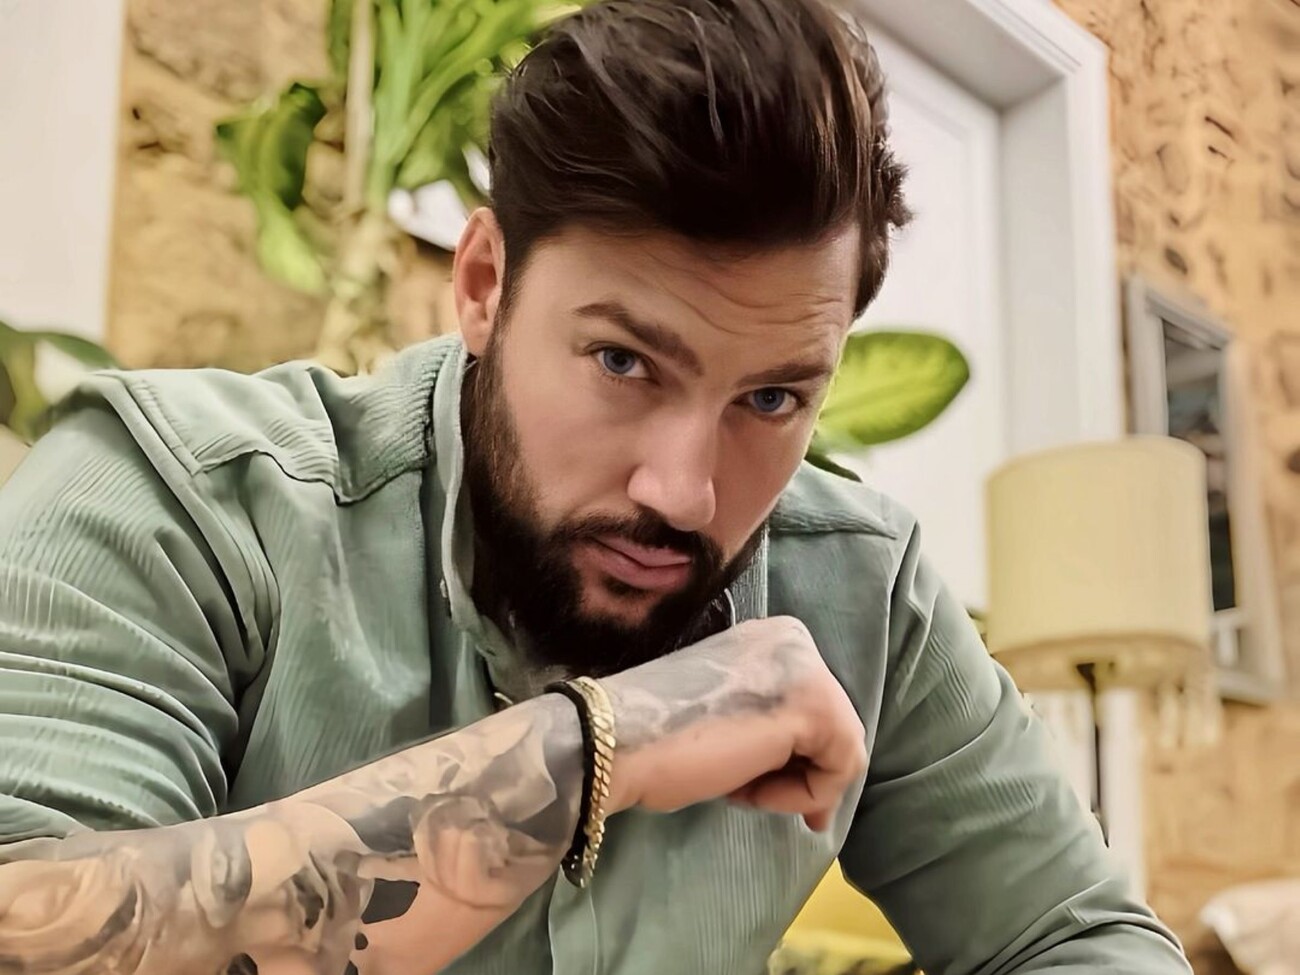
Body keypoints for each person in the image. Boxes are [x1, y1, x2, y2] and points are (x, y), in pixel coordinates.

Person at [0, 0, 1191, 972]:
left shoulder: (862, 593)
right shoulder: (180, 496)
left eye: (772, 399)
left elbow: (1077, 939)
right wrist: (599, 747)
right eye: (623, 362)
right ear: (483, 285)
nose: (683, 492)